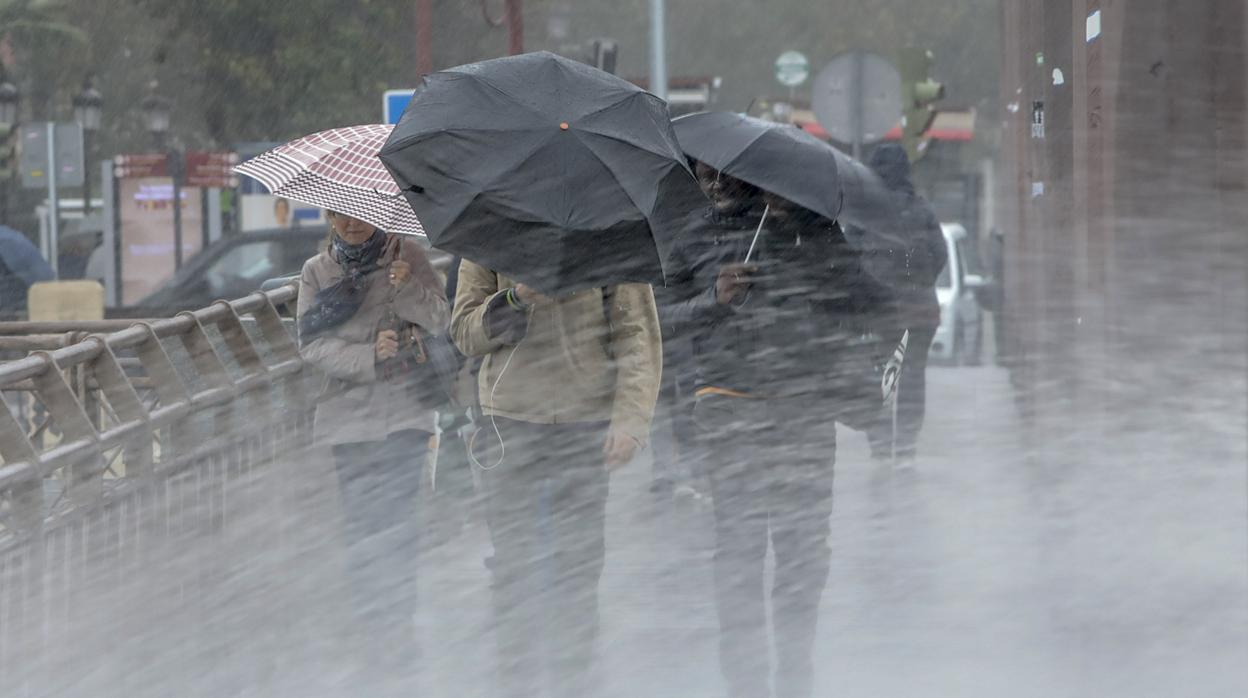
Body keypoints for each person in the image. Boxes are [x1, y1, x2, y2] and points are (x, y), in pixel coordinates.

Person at [665, 170, 895, 698]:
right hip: (729, 411)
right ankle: (744, 681)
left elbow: (868, 301)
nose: (717, 184)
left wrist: (805, 240)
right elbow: (661, 321)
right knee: (740, 551)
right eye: (708, 177)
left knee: (803, 551)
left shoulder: (813, 230)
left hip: (804, 412)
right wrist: (714, 299)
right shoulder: (695, 237)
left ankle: (795, 673)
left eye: (726, 177)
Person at [450, 261, 662, 698]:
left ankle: (574, 679)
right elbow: (465, 334)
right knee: (513, 568)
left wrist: (631, 419)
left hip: (583, 419)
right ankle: (518, 681)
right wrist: (515, 299)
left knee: (579, 566)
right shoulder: (489, 232)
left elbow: (636, 332)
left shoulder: (604, 228)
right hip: (509, 419)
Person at [295, 210, 449, 678]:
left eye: (359, 215)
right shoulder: (317, 272)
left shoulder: (410, 256)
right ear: (328, 217)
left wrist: (406, 288)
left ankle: (398, 628)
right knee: (362, 529)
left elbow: (442, 320)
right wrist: (368, 355)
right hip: (348, 421)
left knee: (399, 525)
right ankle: (370, 627)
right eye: (340, 216)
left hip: (405, 413)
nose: (351, 224)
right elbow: (310, 343)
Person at [864, 144, 948, 463]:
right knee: (913, 374)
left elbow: (852, 255)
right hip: (920, 310)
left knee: (883, 375)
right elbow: (939, 254)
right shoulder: (922, 209)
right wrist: (918, 282)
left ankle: (882, 445)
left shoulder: (867, 211)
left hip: (880, 311)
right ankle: (907, 445)